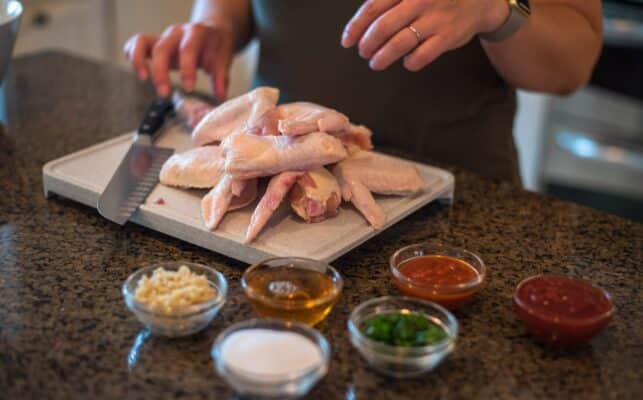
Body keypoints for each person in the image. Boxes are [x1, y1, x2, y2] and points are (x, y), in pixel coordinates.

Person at [124, 0, 602, 183]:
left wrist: (495, 8)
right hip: (276, 183)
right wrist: (215, 26)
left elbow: (571, 64)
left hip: (449, 202)